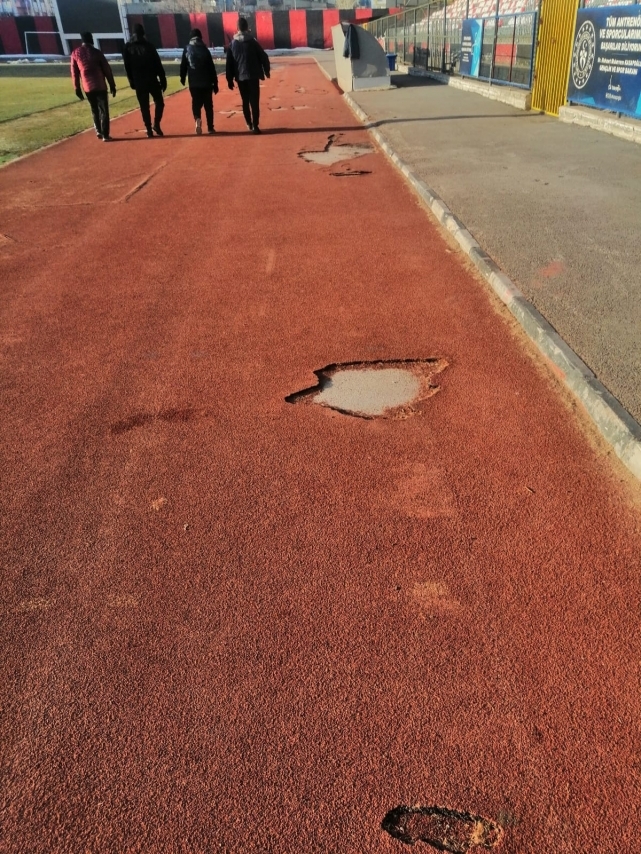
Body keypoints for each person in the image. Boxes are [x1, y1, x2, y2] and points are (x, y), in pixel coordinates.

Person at [225, 17, 270, 134]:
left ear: (237, 28)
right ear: (247, 28)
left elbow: (229, 63)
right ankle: (255, 125)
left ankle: (249, 123)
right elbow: (263, 56)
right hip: (253, 75)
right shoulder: (253, 42)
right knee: (254, 101)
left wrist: (229, 79)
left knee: (245, 100)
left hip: (240, 77)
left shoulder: (232, 44)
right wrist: (266, 70)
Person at [122, 23, 167, 137]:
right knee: (159, 102)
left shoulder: (128, 47)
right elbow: (158, 64)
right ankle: (156, 124)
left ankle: (149, 128)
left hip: (139, 80)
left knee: (144, 106)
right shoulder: (149, 46)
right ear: (143, 33)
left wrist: (131, 80)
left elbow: (127, 67)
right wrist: (162, 78)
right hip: (151, 79)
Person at [70, 32, 116, 142]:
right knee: (104, 110)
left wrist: (77, 88)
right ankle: (105, 134)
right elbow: (107, 70)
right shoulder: (97, 52)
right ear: (91, 39)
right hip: (100, 85)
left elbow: (74, 73)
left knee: (94, 109)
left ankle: (98, 130)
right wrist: (112, 84)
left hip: (87, 87)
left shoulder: (75, 53)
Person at [180, 28, 219, 135]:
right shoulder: (205, 49)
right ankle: (210, 127)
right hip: (206, 82)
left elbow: (183, 65)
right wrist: (215, 83)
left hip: (194, 82)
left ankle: (197, 118)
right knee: (208, 105)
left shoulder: (187, 49)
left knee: (196, 103)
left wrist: (182, 77)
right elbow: (211, 68)